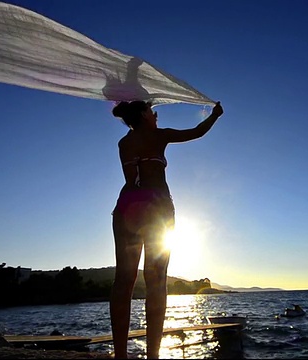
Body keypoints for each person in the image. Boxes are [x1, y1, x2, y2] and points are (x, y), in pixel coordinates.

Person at [109, 100, 224, 359]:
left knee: (123, 281)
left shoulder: (123, 143)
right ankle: (153, 356)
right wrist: (215, 115)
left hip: (127, 207)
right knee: (156, 280)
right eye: (151, 111)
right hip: (156, 207)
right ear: (142, 114)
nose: (156, 114)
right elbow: (197, 132)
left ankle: (120, 355)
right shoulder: (158, 135)